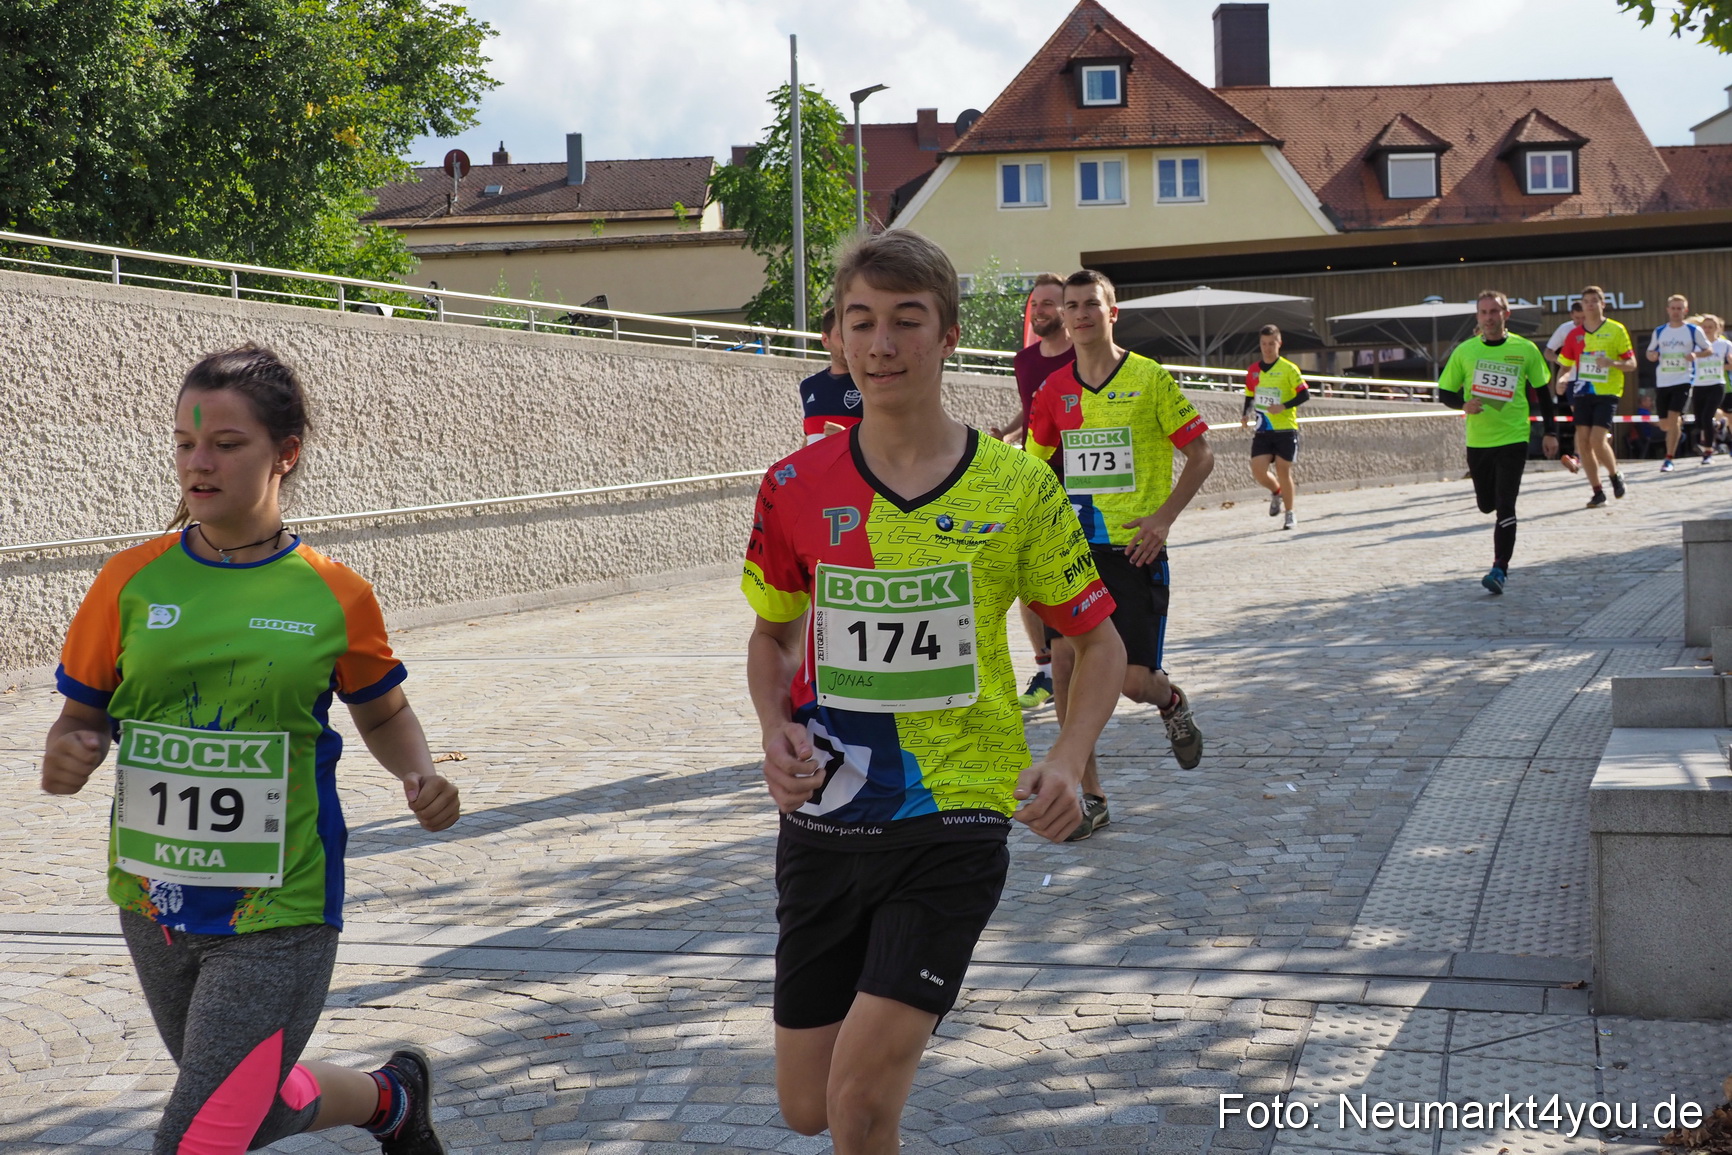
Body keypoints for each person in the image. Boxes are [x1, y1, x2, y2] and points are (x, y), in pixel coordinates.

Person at [741, 230, 1127, 1154]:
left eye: (907, 321)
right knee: (811, 1103)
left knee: (861, 1100)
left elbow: (1099, 641)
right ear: (835, 338)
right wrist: (772, 729)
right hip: (826, 818)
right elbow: (772, 635)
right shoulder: (794, 486)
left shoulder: (1019, 487)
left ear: (949, 335)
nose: (882, 344)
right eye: (861, 322)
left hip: (954, 815)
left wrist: (1071, 758)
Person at [40, 346, 459, 1155]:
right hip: (153, 901)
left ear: (285, 453)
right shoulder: (128, 581)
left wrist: (421, 772)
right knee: (248, 1103)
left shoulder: (334, 592)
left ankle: (388, 1099)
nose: (199, 462)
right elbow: (79, 717)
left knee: (197, 1138)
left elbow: (383, 710)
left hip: (281, 906)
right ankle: (392, 1100)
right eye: (185, 442)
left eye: (226, 443)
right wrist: (72, 749)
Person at [1026, 269, 1214, 840]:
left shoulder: (1151, 379)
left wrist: (1161, 520)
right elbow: (1035, 470)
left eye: (1091, 304)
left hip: (1135, 548)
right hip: (1075, 547)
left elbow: (1202, 456)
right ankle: (1090, 795)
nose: (1080, 314)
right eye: (1071, 305)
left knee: (1132, 680)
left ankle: (1170, 699)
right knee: (1063, 665)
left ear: (1113, 313)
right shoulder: (1052, 392)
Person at [989, 273, 1076, 709]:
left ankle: (1094, 661)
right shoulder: (1024, 361)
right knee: (1027, 577)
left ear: (1067, 309)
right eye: (1035, 304)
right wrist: (1004, 432)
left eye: (1048, 303)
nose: (1039, 311)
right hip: (1037, 479)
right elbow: (1033, 410)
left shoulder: (1083, 354)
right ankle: (1045, 670)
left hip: (1085, 483)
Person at [1434, 291, 1558, 593]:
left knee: (1505, 505)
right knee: (1486, 504)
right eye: (1484, 312)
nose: (1489, 317)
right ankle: (1493, 525)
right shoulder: (1465, 351)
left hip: (1514, 437)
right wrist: (1464, 405)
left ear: (1506, 315)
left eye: (1494, 311)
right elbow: (1445, 393)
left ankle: (1499, 569)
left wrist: (1552, 432)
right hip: (1478, 441)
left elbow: (1543, 393)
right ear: (1478, 317)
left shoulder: (1525, 350)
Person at [1557, 285, 1637, 507]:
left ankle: (1614, 475)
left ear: (1603, 304)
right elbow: (1565, 365)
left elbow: (1631, 364)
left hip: (1607, 391)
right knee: (1583, 443)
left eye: (1594, 300)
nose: (1590, 304)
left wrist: (1612, 363)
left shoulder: (1616, 330)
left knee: (1596, 439)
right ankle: (1597, 491)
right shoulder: (1574, 335)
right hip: (1582, 391)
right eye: (1586, 301)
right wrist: (1561, 381)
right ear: (1581, 306)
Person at [1239, 324, 1309, 530]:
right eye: (1264, 344)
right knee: (1258, 471)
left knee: (1283, 470)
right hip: (1263, 429)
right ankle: (1276, 492)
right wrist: (1245, 414)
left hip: (1285, 429)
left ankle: (1290, 513)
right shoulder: (1253, 370)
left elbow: (1305, 394)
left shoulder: (1289, 368)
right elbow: (1250, 395)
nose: (1267, 348)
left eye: (1271, 344)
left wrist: (1283, 406)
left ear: (1279, 344)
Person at [1645, 294, 1711, 471]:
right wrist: (1652, 356)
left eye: (1679, 308)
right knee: (1666, 424)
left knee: (1673, 418)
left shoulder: (1692, 330)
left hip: (1683, 379)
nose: (1676, 312)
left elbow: (1708, 349)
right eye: (1673, 308)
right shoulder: (1660, 331)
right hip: (1663, 381)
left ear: (1685, 310)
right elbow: (1650, 352)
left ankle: (1668, 459)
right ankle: (1677, 427)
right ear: (1668, 310)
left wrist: (1695, 355)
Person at [801, 305, 863, 444]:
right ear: (825, 340)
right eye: (841, 335)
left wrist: (848, 438)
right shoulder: (808, 386)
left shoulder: (872, 382)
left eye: (853, 333)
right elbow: (808, 438)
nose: (848, 342)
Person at [1543, 301, 1585, 471]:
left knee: (1595, 422)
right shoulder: (1565, 329)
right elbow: (1548, 352)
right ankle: (1578, 456)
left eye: (1583, 318)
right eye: (1576, 319)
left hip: (1597, 379)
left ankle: (1596, 449)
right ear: (1571, 316)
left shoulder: (1597, 329)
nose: (1580, 322)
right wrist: (1560, 360)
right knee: (1580, 419)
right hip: (1574, 378)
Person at [1686, 312, 1728, 463]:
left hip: (1717, 384)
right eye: (1705, 327)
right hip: (1699, 385)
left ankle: (1708, 452)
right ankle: (1719, 424)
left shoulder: (1724, 344)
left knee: (1706, 417)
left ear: (1717, 328)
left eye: (1711, 327)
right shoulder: (1696, 345)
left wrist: (1722, 365)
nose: (1708, 329)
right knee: (1699, 421)